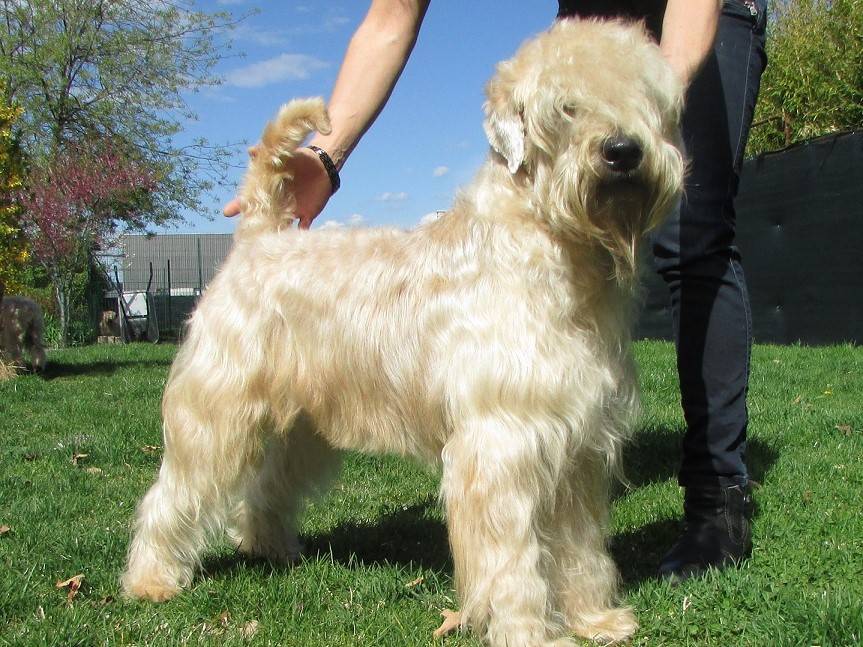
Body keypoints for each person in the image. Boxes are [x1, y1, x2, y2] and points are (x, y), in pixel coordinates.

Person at [224, 0, 767, 581]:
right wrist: (325, 158)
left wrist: (654, 101)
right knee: (226, 425)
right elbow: (390, 18)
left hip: (696, 19)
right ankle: (515, 611)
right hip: (597, 21)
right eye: (570, 112)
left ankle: (708, 504)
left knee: (697, 238)